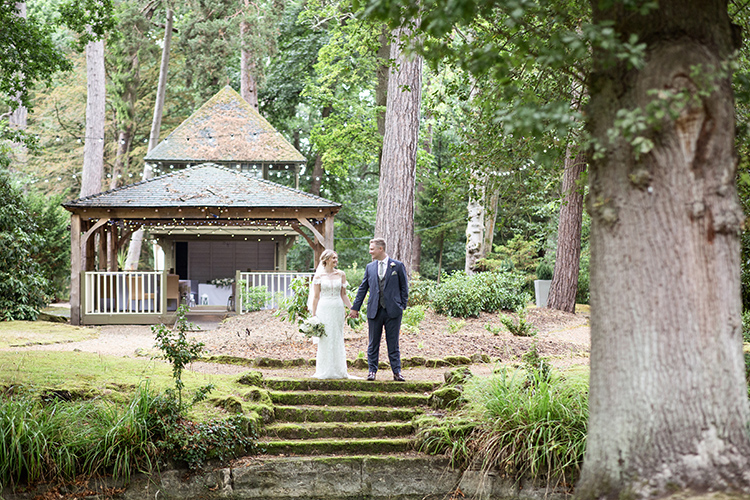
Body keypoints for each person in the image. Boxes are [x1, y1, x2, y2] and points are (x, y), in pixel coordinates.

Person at [348, 238, 409, 381]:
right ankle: (372, 371)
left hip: (393, 310)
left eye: (372, 249)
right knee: (373, 342)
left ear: (380, 249)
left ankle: (397, 372)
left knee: (393, 342)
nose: (370, 252)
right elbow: (363, 288)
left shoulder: (398, 266)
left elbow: (404, 288)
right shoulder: (370, 267)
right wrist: (355, 308)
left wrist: (402, 306)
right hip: (374, 310)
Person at [309, 249, 356, 379]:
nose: (336, 260)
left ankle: (339, 370)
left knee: (337, 336)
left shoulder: (341, 274)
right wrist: (314, 315)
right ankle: (325, 370)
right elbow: (316, 297)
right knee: (325, 338)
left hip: (337, 308)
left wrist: (353, 308)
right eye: (333, 258)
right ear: (326, 260)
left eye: (336, 258)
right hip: (324, 308)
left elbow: (344, 295)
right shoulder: (318, 277)